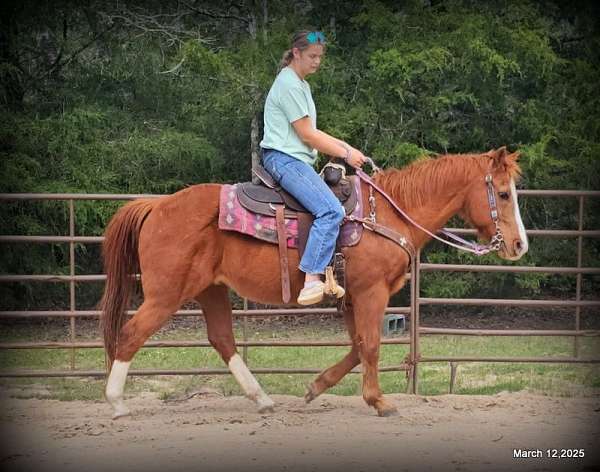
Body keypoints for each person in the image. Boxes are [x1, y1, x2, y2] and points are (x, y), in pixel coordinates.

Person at [260, 30, 367, 305]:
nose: (317, 61)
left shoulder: (301, 84)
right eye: (312, 56)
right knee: (331, 210)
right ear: (296, 53)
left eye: (320, 56)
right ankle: (311, 279)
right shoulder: (289, 85)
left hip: (294, 159)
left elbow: (314, 133)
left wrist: (348, 148)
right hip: (284, 159)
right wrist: (346, 152)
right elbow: (308, 135)